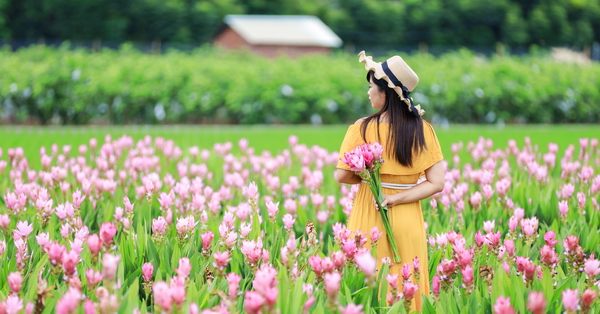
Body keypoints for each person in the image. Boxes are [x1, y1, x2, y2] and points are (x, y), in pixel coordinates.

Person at [334, 51, 445, 311]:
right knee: (407, 287)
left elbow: (341, 175)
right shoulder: (422, 129)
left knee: (368, 287)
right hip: (407, 218)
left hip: (369, 212)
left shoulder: (361, 128)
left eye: (371, 87)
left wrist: (368, 174)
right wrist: (396, 197)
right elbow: (436, 183)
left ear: (385, 92)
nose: (368, 93)